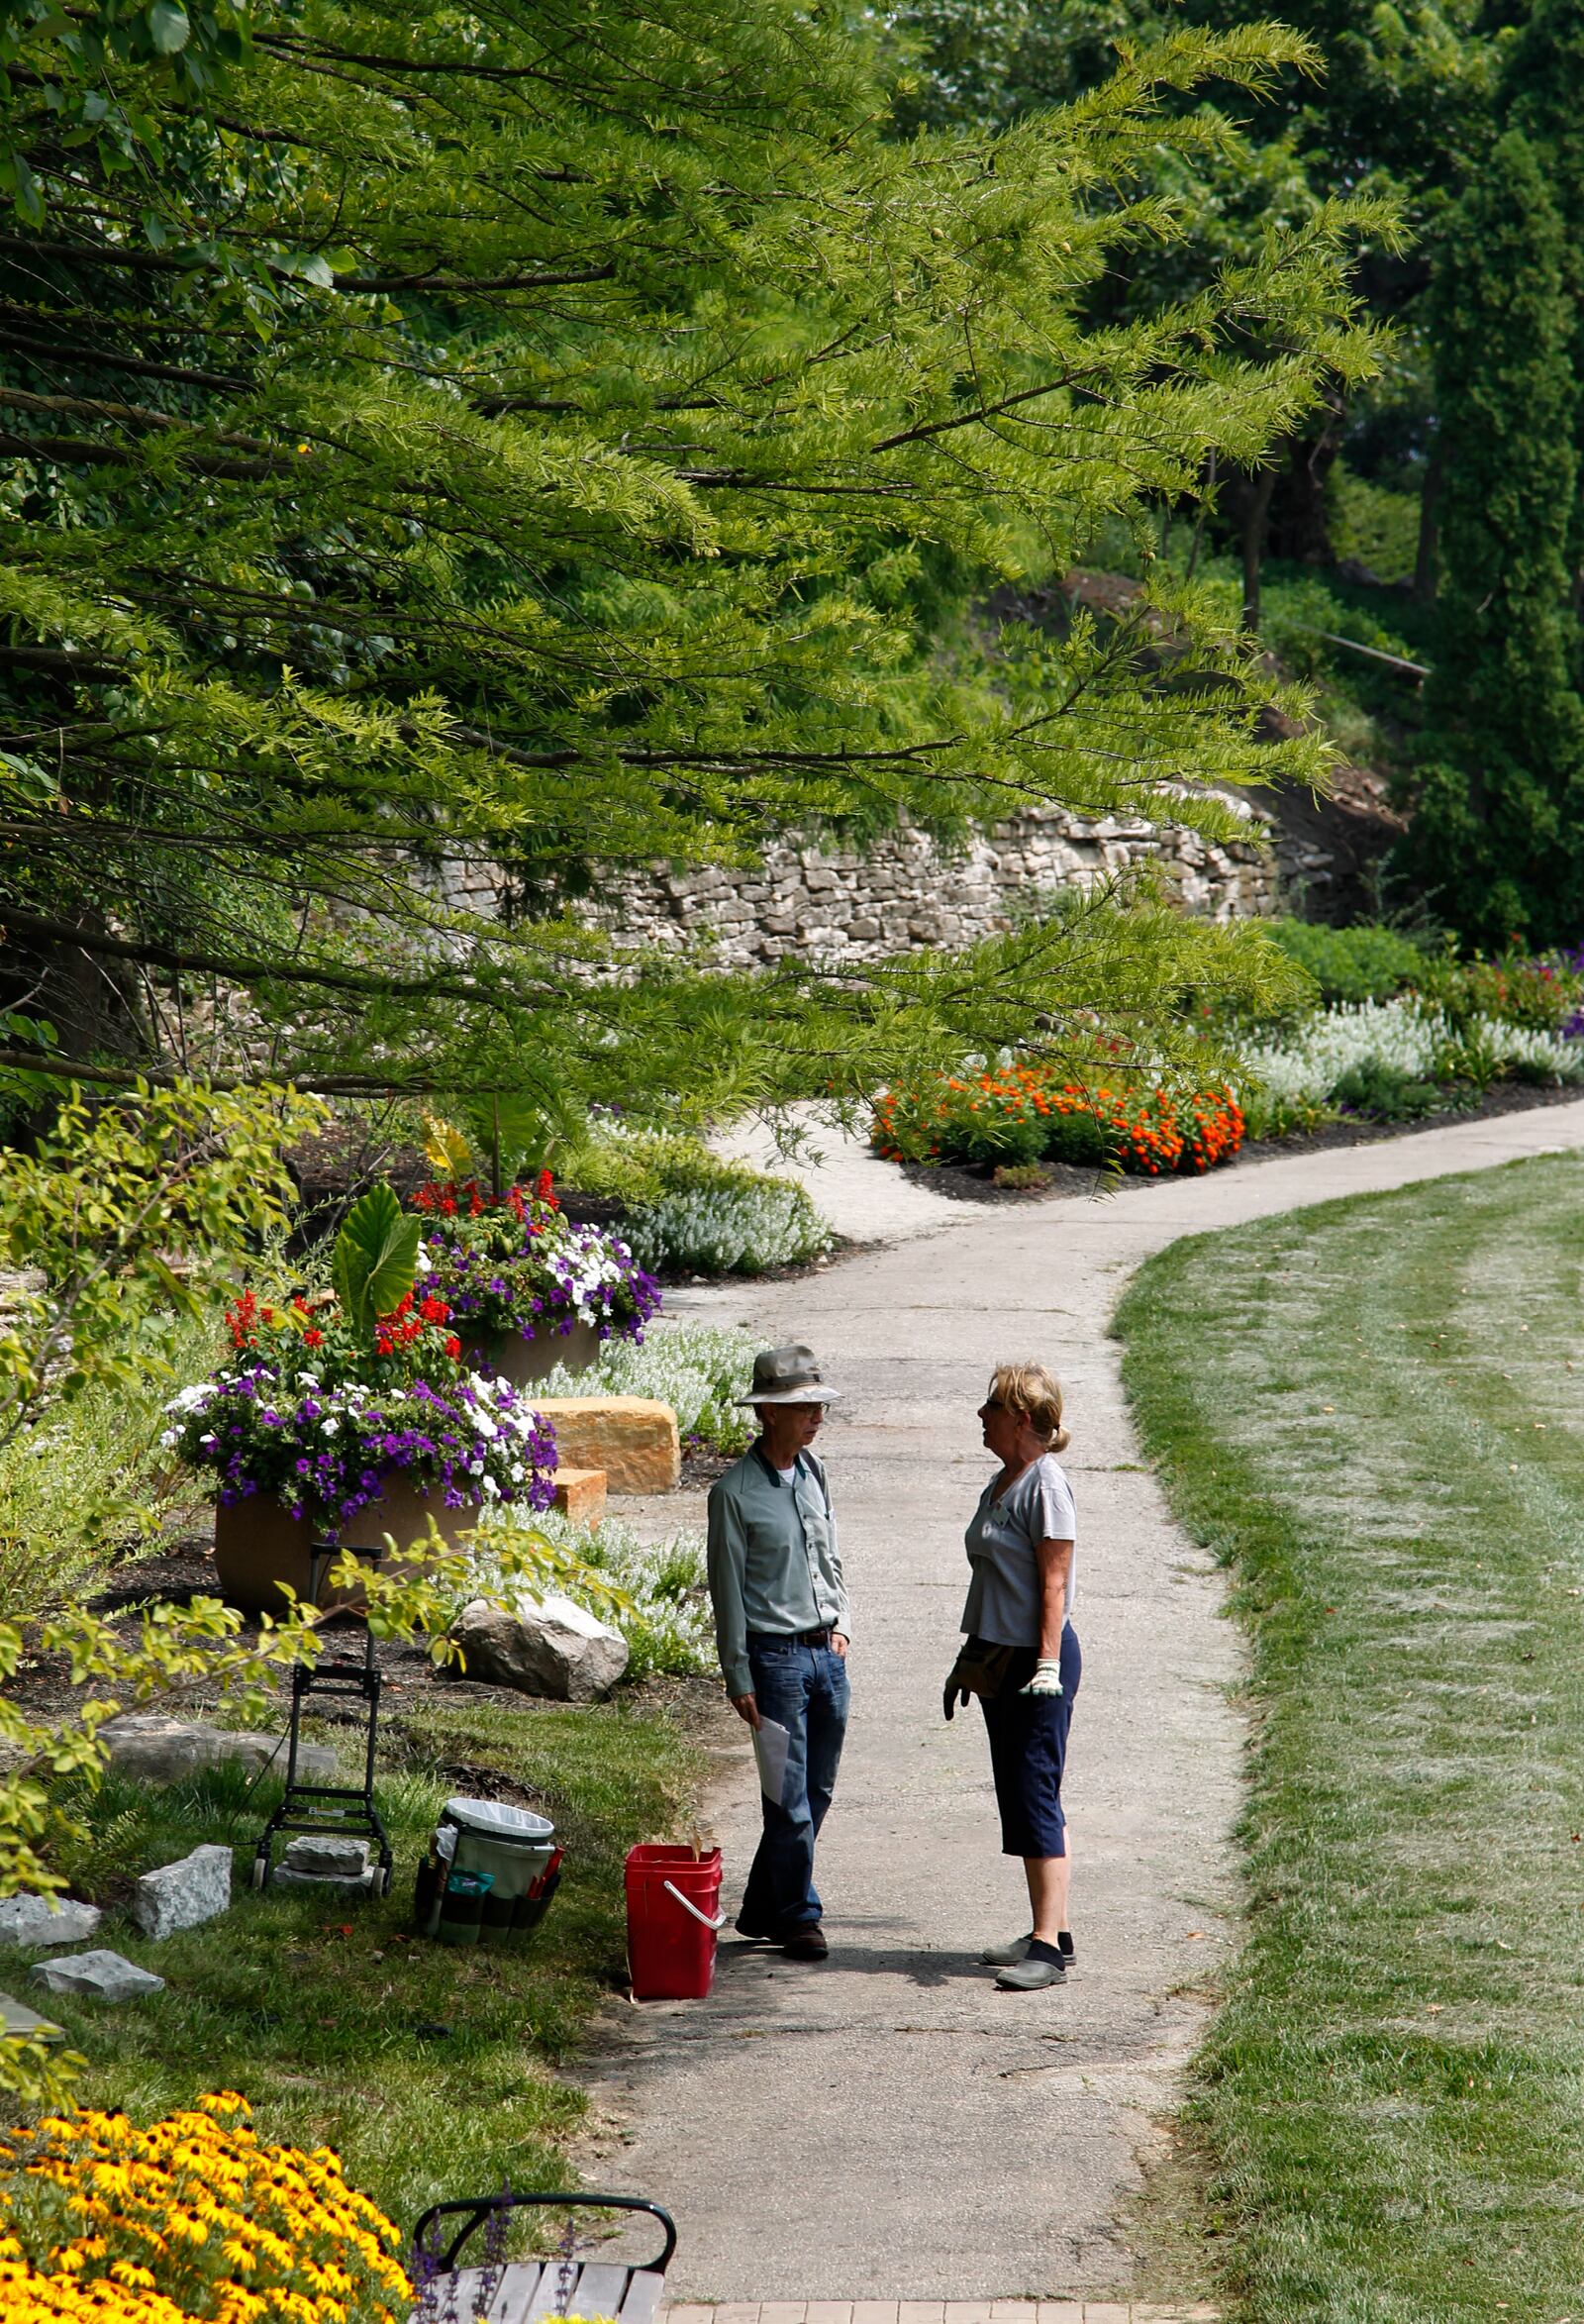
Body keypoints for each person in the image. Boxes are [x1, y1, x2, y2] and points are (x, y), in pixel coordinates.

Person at [706, 1342, 850, 1962]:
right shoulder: (733, 1494)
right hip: (775, 1663)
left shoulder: (813, 1472)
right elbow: (727, 1590)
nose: (816, 1415)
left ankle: (763, 1905)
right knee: (786, 1799)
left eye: (819, 1404)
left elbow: (830, 1556)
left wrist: (841, 1622)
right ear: (767, 1413)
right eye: (803, 1406)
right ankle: (798, 1915)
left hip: (827, 1656)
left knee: (815, 1792)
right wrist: (739, 1673)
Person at [944, 1360, 1080, 1992]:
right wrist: (966, 1661)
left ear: (1020, 1419)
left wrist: (1047, 1663)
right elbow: (991, 1583)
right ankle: (1047, 1928)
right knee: (1024, 1793)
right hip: (1000, 1657)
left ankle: (1049, 1951)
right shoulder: (1002, 1482)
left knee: (1034, 1791)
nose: (980, 1415)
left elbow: (1053, 1583)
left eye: (990, 1407)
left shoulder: (1046, 1487)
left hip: (1036, 1660)